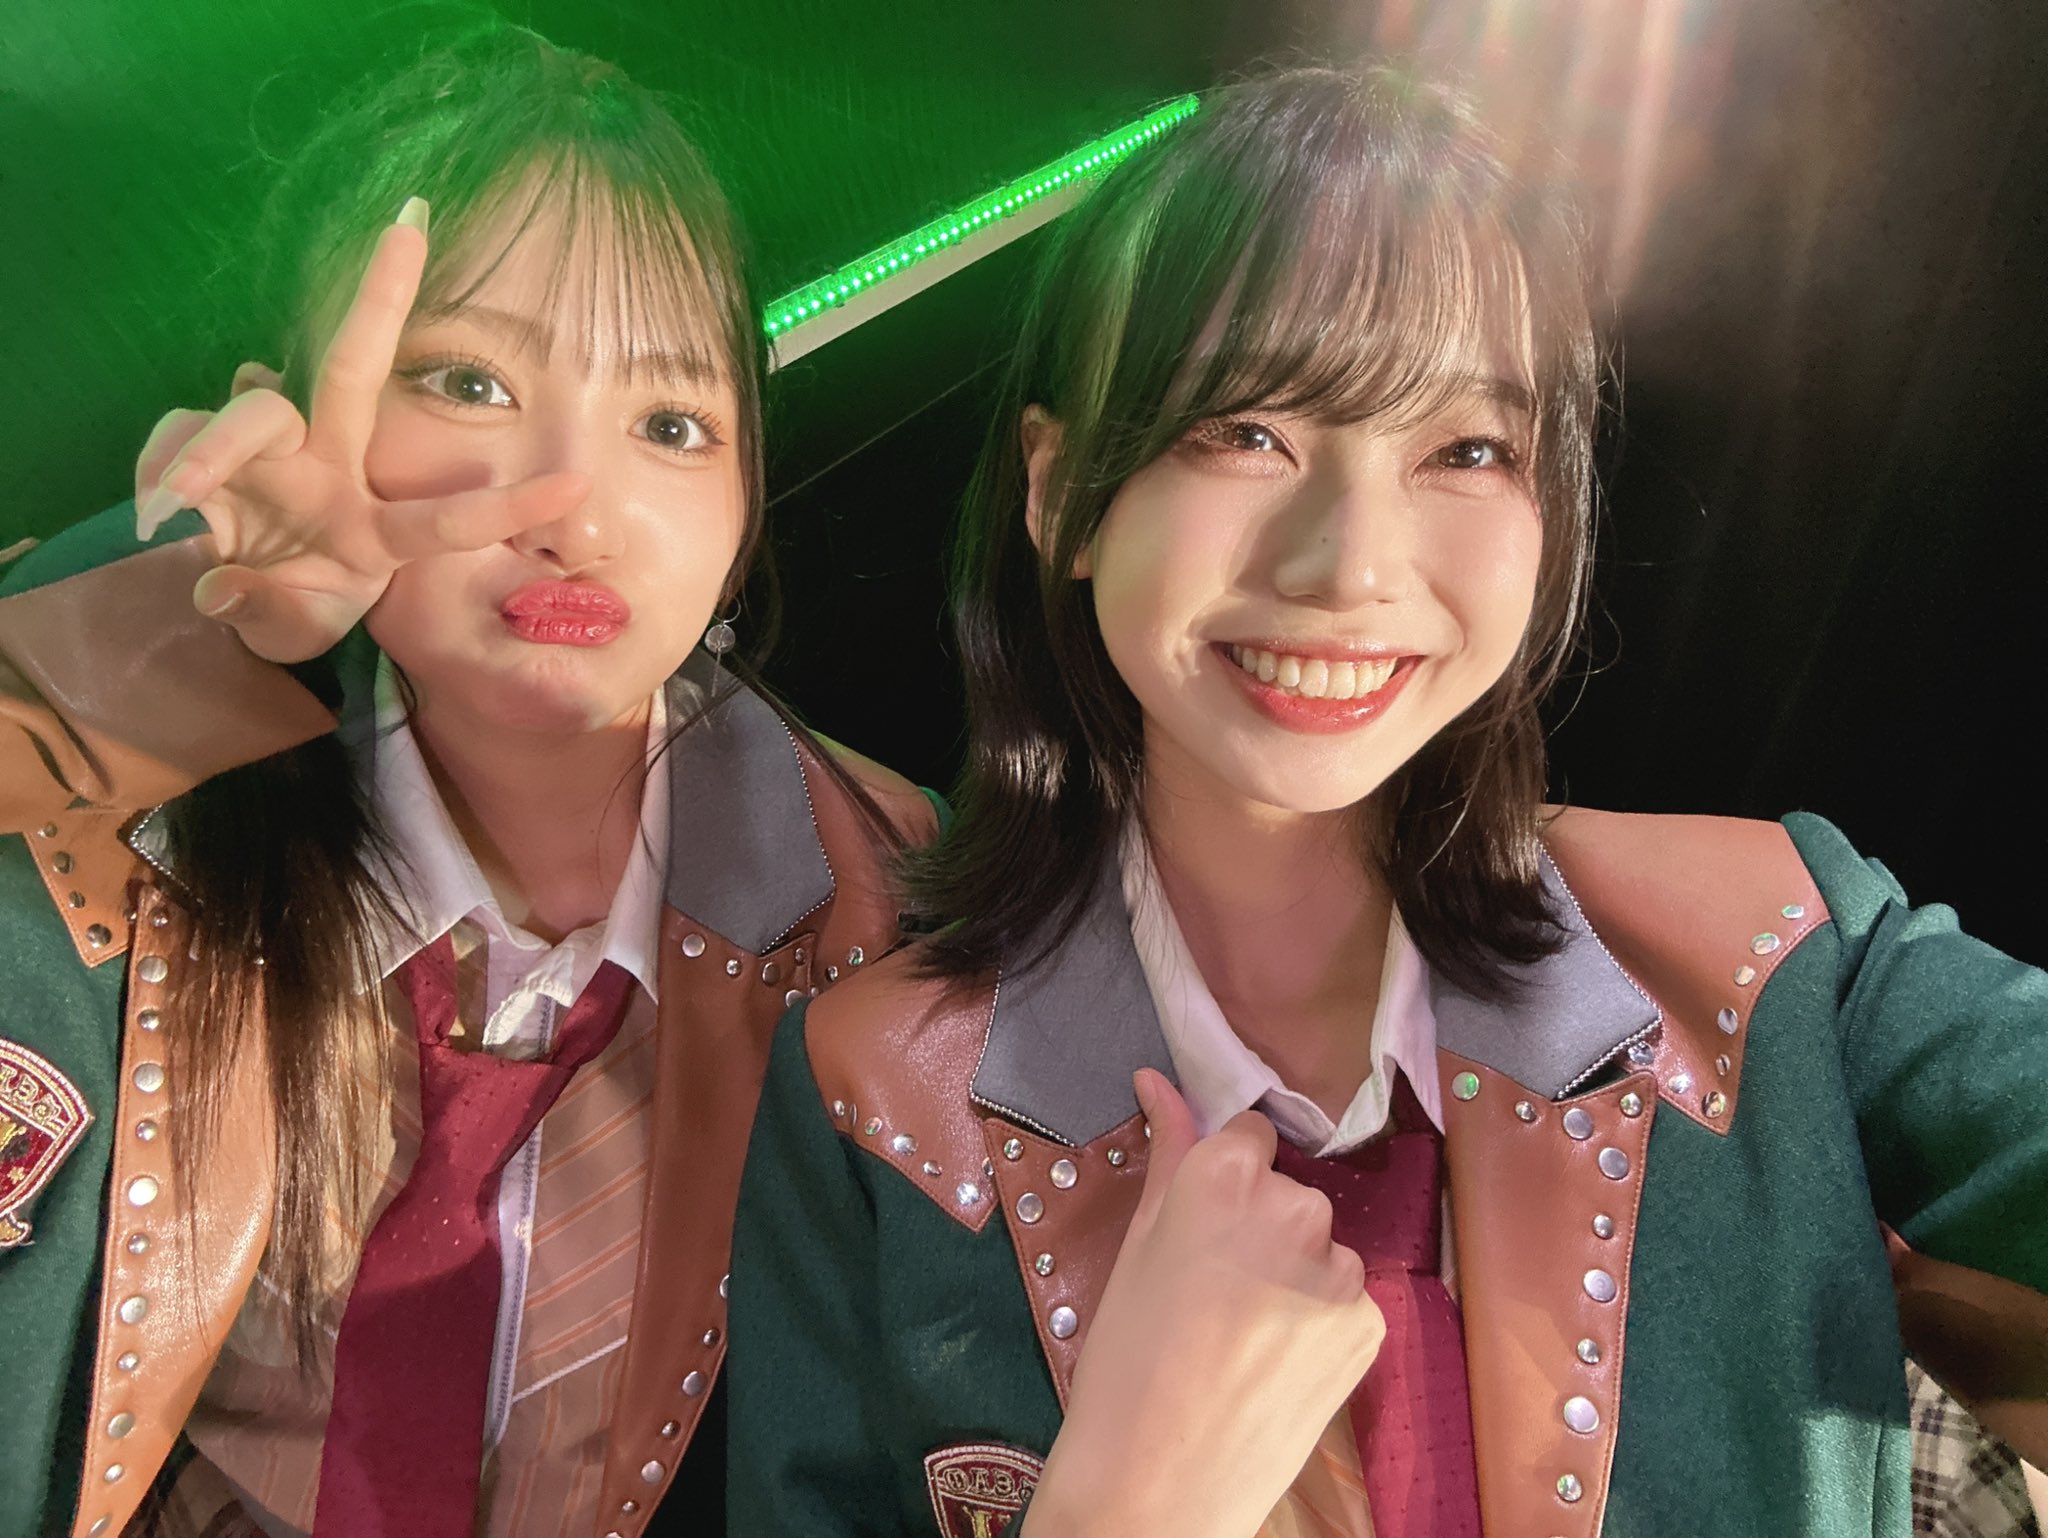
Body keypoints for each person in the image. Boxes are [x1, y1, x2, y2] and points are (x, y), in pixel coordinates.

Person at [726, 62, 2048, 1537]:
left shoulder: (1780, 957)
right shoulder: (874, 1102)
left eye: (1464, 450)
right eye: (1245, 431)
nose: (1350, 565)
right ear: (1060, 492)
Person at [0, 27, 932, 1538]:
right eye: (469, 380)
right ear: (289, 413)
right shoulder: (116, 843)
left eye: (672, 424)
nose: (574, 511)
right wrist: (167, 619)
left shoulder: (885, 916)